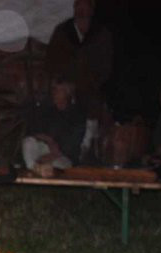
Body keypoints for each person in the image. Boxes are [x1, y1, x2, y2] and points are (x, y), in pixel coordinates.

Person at [45, 0, 112, 157]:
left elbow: (106, 65)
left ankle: (86, 149)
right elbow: (51, 61)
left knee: (92, 108)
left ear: (91, 10)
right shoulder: (62, 31)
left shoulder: (101, 34)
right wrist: (62, 82)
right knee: (59, 103)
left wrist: (91, 82)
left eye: (85, 7)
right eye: (78, 7)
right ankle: (59, 150)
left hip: (90, 87)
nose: (82, 11)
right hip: (65, 85)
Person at [22, 78, 86, 176]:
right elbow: (34, 131)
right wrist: (49, 140)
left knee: (56, 166)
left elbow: (72, 145)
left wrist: (52, 155)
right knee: (28, 142)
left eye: (59, 90)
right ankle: (33, 170)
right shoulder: (48, 110)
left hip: (63, 156)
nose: (55, 93)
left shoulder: (76, 116)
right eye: (54, 90)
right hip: (46, 149)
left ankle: (43, 171)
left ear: (67, 93)